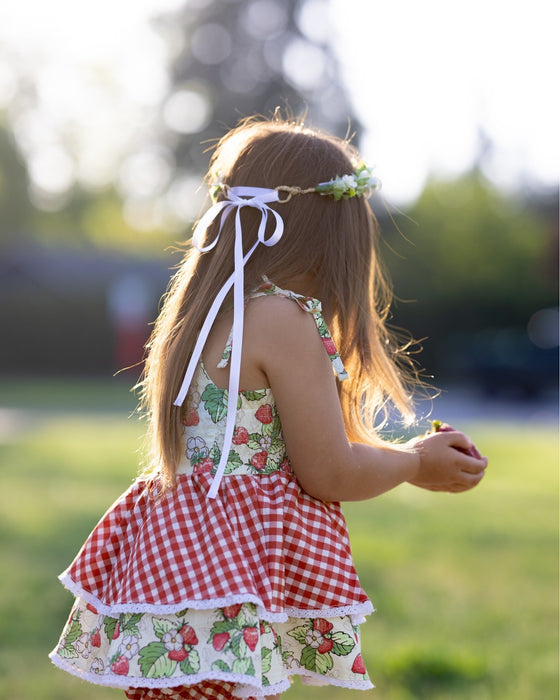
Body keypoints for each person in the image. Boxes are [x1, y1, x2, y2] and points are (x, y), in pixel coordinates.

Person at [49, 115, 487, 700]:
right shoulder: (282, 319)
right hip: (227, 572)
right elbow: (328, 470)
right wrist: (414, 463)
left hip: (183, 561)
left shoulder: (207, 312)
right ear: (335, 233)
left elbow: (281, 446)